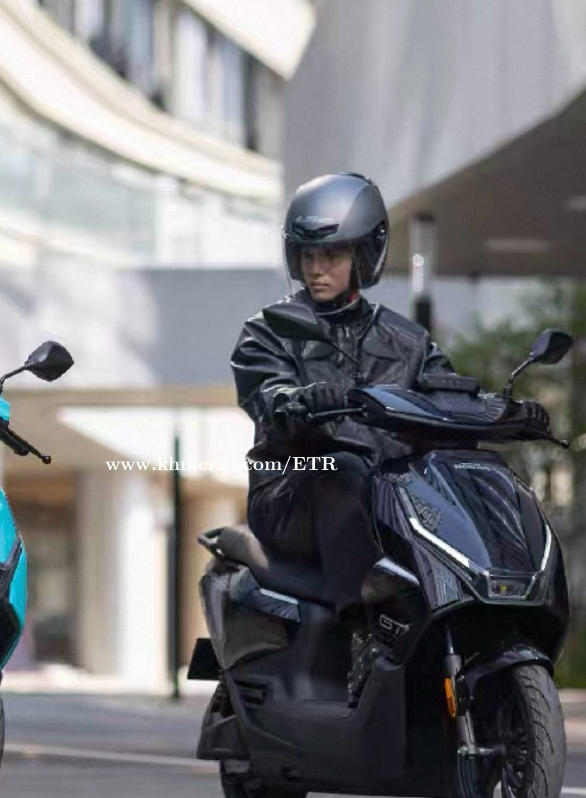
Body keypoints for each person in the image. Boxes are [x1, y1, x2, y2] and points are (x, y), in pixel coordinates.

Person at [231, 171, 548, 629]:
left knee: (475, 474)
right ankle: (361, 619)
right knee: (342, 467)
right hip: (294, 487)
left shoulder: (408, 340)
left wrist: (509, 413)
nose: (316, 268)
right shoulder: (269, 330)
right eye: (307, 254)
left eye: (331, 254)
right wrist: (296, 400)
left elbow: (448, 396)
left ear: (364, 253)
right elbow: (267, 392)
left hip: (392, 496)